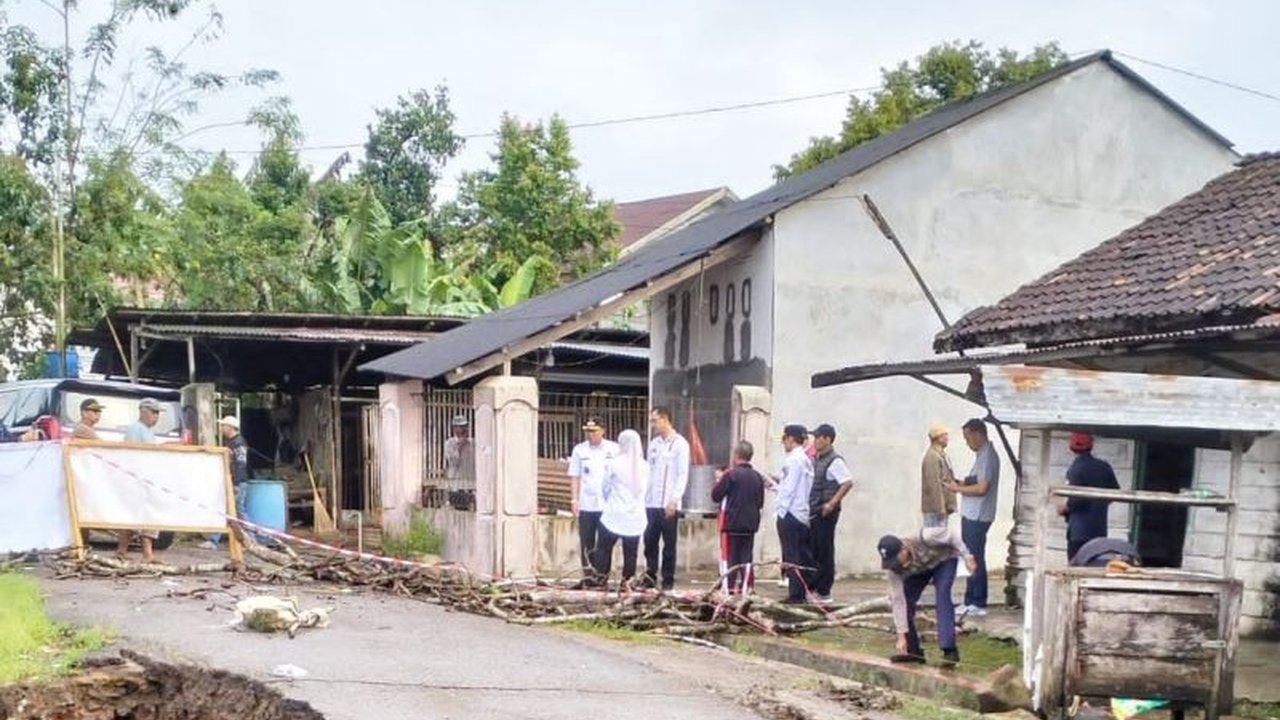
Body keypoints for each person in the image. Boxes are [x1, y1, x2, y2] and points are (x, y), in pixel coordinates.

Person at [878, 526, 978, 666]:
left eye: (896, 560)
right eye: (891, 562)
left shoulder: (924, 537)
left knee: (942, 595)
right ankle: (913, 652)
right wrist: (901, 637)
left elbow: (951, 535)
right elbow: (898, 600)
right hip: (920, 571)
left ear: (903, 550)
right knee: (906, 601)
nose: (895, 565)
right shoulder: (893, 569)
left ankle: (949, 650)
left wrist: (967, 556)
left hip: (944, 561)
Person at [946, 418, 1000, 617]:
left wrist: (958, 489)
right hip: (973, 514)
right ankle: (970, 600)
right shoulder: (982, 455)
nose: (967, 443)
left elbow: (982, 488)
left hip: (978, 515)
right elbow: (976, 481)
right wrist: (961, 482)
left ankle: (977, 601)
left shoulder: (987, 456)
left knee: (974, 556)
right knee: (970, 555)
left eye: (968, 438)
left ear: (978, 435)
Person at [643, 406, 689, 591]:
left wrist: (674, 499)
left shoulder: (680, 444)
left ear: (665, 419)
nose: (653, 425)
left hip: (669, 502)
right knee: (649, 541)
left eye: (655, 421)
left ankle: (668, 579)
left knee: (669, 544)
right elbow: (649, 471)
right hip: (652, 502)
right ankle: (650, 575)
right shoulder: (654, 444)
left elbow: (682, 474)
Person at [595, 429, 648, 589]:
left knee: (603, 548)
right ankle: (627, 583)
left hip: (614, 513)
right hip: (635, 516)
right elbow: (647, 490)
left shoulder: (614, 463)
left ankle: (601, 580)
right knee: (631, 552)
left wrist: (609, 500)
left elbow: (604, 487)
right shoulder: (645, 466)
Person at [568, 417, 618, 586]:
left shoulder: (614, 449)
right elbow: (575, 476)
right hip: (587, 504)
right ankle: (589, 576)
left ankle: (602, 577)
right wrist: (574, 499)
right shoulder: (579, 450)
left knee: (605, 543)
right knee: (587, 542)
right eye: (588, 431)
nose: (591, 435)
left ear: (603, 431)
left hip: (607, 504)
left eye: (594, 431)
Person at [711, 440, 766, 594]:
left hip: (733, 522)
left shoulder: (731, 475)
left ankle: (730, 587)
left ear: (736, 455)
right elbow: (760, 502)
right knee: (747, 557)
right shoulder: (757, 477)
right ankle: (747, 587)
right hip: (750, 523)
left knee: (732, 558)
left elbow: (716, 495)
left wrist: (718, 482)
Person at [807, 423, 853, 604]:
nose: (815, 441)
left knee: (824, 551)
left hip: (825, 512)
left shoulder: (835, 461)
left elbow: (847, 482)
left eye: (818, 437)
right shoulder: (817, 459)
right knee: (815, 550)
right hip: (815, 511)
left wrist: (832, 503)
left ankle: (824, 590)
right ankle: (814, 587)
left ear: (827, 439)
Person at [117, 398, 165, 562]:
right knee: (139, 515)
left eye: (158, 413)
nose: (156, 416)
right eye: (154, 412)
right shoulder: (135, 429)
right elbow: (131, 454)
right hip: (137, 479)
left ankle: (132, 552)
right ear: (144, 411)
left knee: (141, 515)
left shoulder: (147, 431)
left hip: (146, 479)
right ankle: (138, 553)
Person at [1059, 432, 1120, 560]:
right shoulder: (1104, 466)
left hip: (1078, 532)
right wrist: (1100, 505)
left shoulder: (1075, 469)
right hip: (1099, 530)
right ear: (1091, 445)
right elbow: (1115, 492)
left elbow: (1077, 500)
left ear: (1071, 447)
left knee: (1076, 566)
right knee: (1095, 565)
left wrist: (1064, 509)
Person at [774, 424, 815, 604]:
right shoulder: (804, 459)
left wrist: (781, 510)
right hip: (801, 512)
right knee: (800, 554)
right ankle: (802, 591)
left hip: (790, 513)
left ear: (790, 439)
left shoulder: (794, 460)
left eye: (784, 439)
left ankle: (796, 594)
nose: (783, 443)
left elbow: (789, 489)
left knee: (792, 556)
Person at [202, 416, 250, 550]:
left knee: (234, 510)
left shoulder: (238, 443)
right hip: (234, 482)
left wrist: (235, 483)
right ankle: (250, 540)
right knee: (233, 510)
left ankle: (250, 540)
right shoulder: (231, 442)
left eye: (224, 425)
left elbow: (241, 464)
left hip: (237, 482)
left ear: (230, 427)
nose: (222, 428)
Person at [921, 424, 957, 527]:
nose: (947, 438)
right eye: (944, 435)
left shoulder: (940, 454)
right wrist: (940, 509)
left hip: (941, 509)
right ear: (937, 438)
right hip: (935, 511)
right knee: (936, 535)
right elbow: (934, 484)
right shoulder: (932, 456)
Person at [443, 415, 474, 491]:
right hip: (455, 483)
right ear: (455, 428)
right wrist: (461, 445)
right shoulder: (449, 443)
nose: (464, 429)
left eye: (465, 426)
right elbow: (453, 462)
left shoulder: (472, 443)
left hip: (470, 482)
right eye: (461, 426)